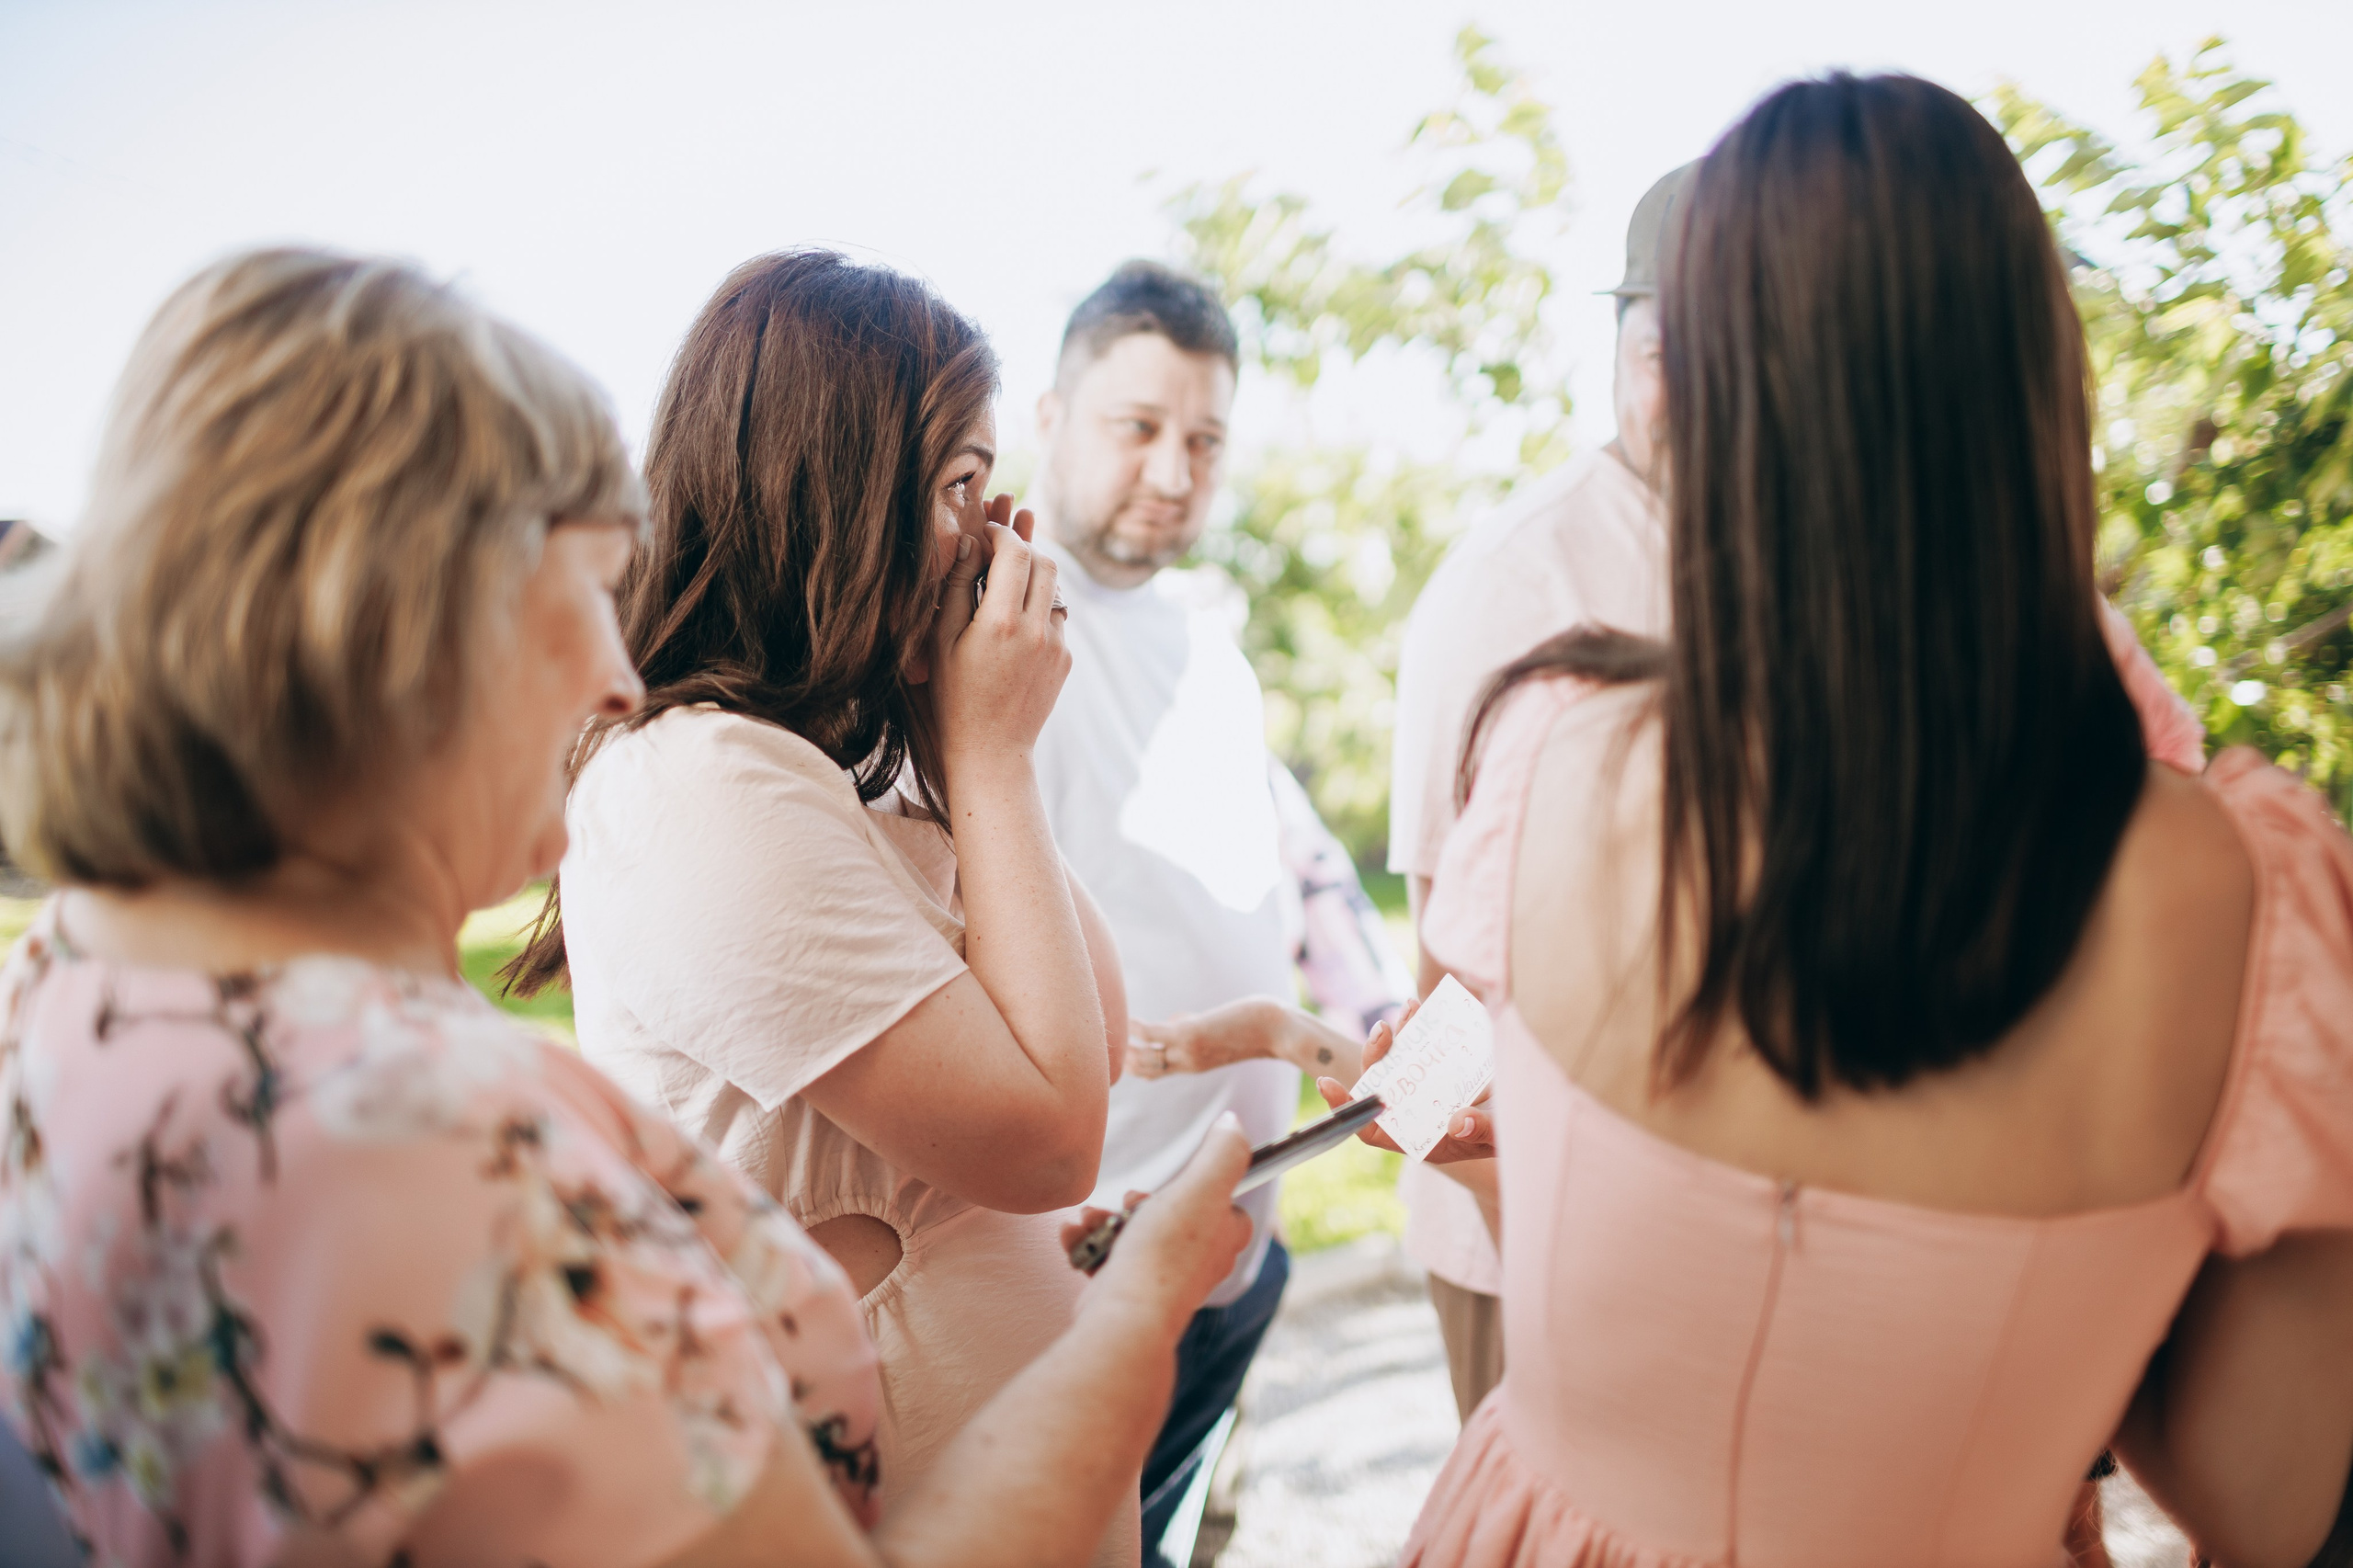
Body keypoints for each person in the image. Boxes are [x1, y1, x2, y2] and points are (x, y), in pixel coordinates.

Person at [0, 248, 1258, 1568]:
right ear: (403, 620)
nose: (617, 678)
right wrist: (1142, 1309)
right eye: (588, 583)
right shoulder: (425, 1137)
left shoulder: (86, 989)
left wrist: (971, 748)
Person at [1381, 74, 2353, 1567]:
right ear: (2041, 381)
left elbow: (1469, 1023)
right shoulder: (2245, 891)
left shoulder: (1552, 740)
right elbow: (2268, 1499)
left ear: (1703, 382)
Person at [509, 250, 1149, 1561]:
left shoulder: (839, 770)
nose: (993, 541)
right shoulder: (701, 783)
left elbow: (1097, 1036)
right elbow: (1050, 1143)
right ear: (845, 491)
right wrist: (992, 756)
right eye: (961, 486)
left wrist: (962, 747)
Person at [1025, 260, 1415, 1565]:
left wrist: (1382, 1025)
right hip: (1079, 1265)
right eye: (1137, 426)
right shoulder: (992, 628)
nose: (1173, 470)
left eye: (1204, 439)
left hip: (1243, 1245)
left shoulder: (1207, 644)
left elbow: (1296, 862)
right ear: (1051, 417)